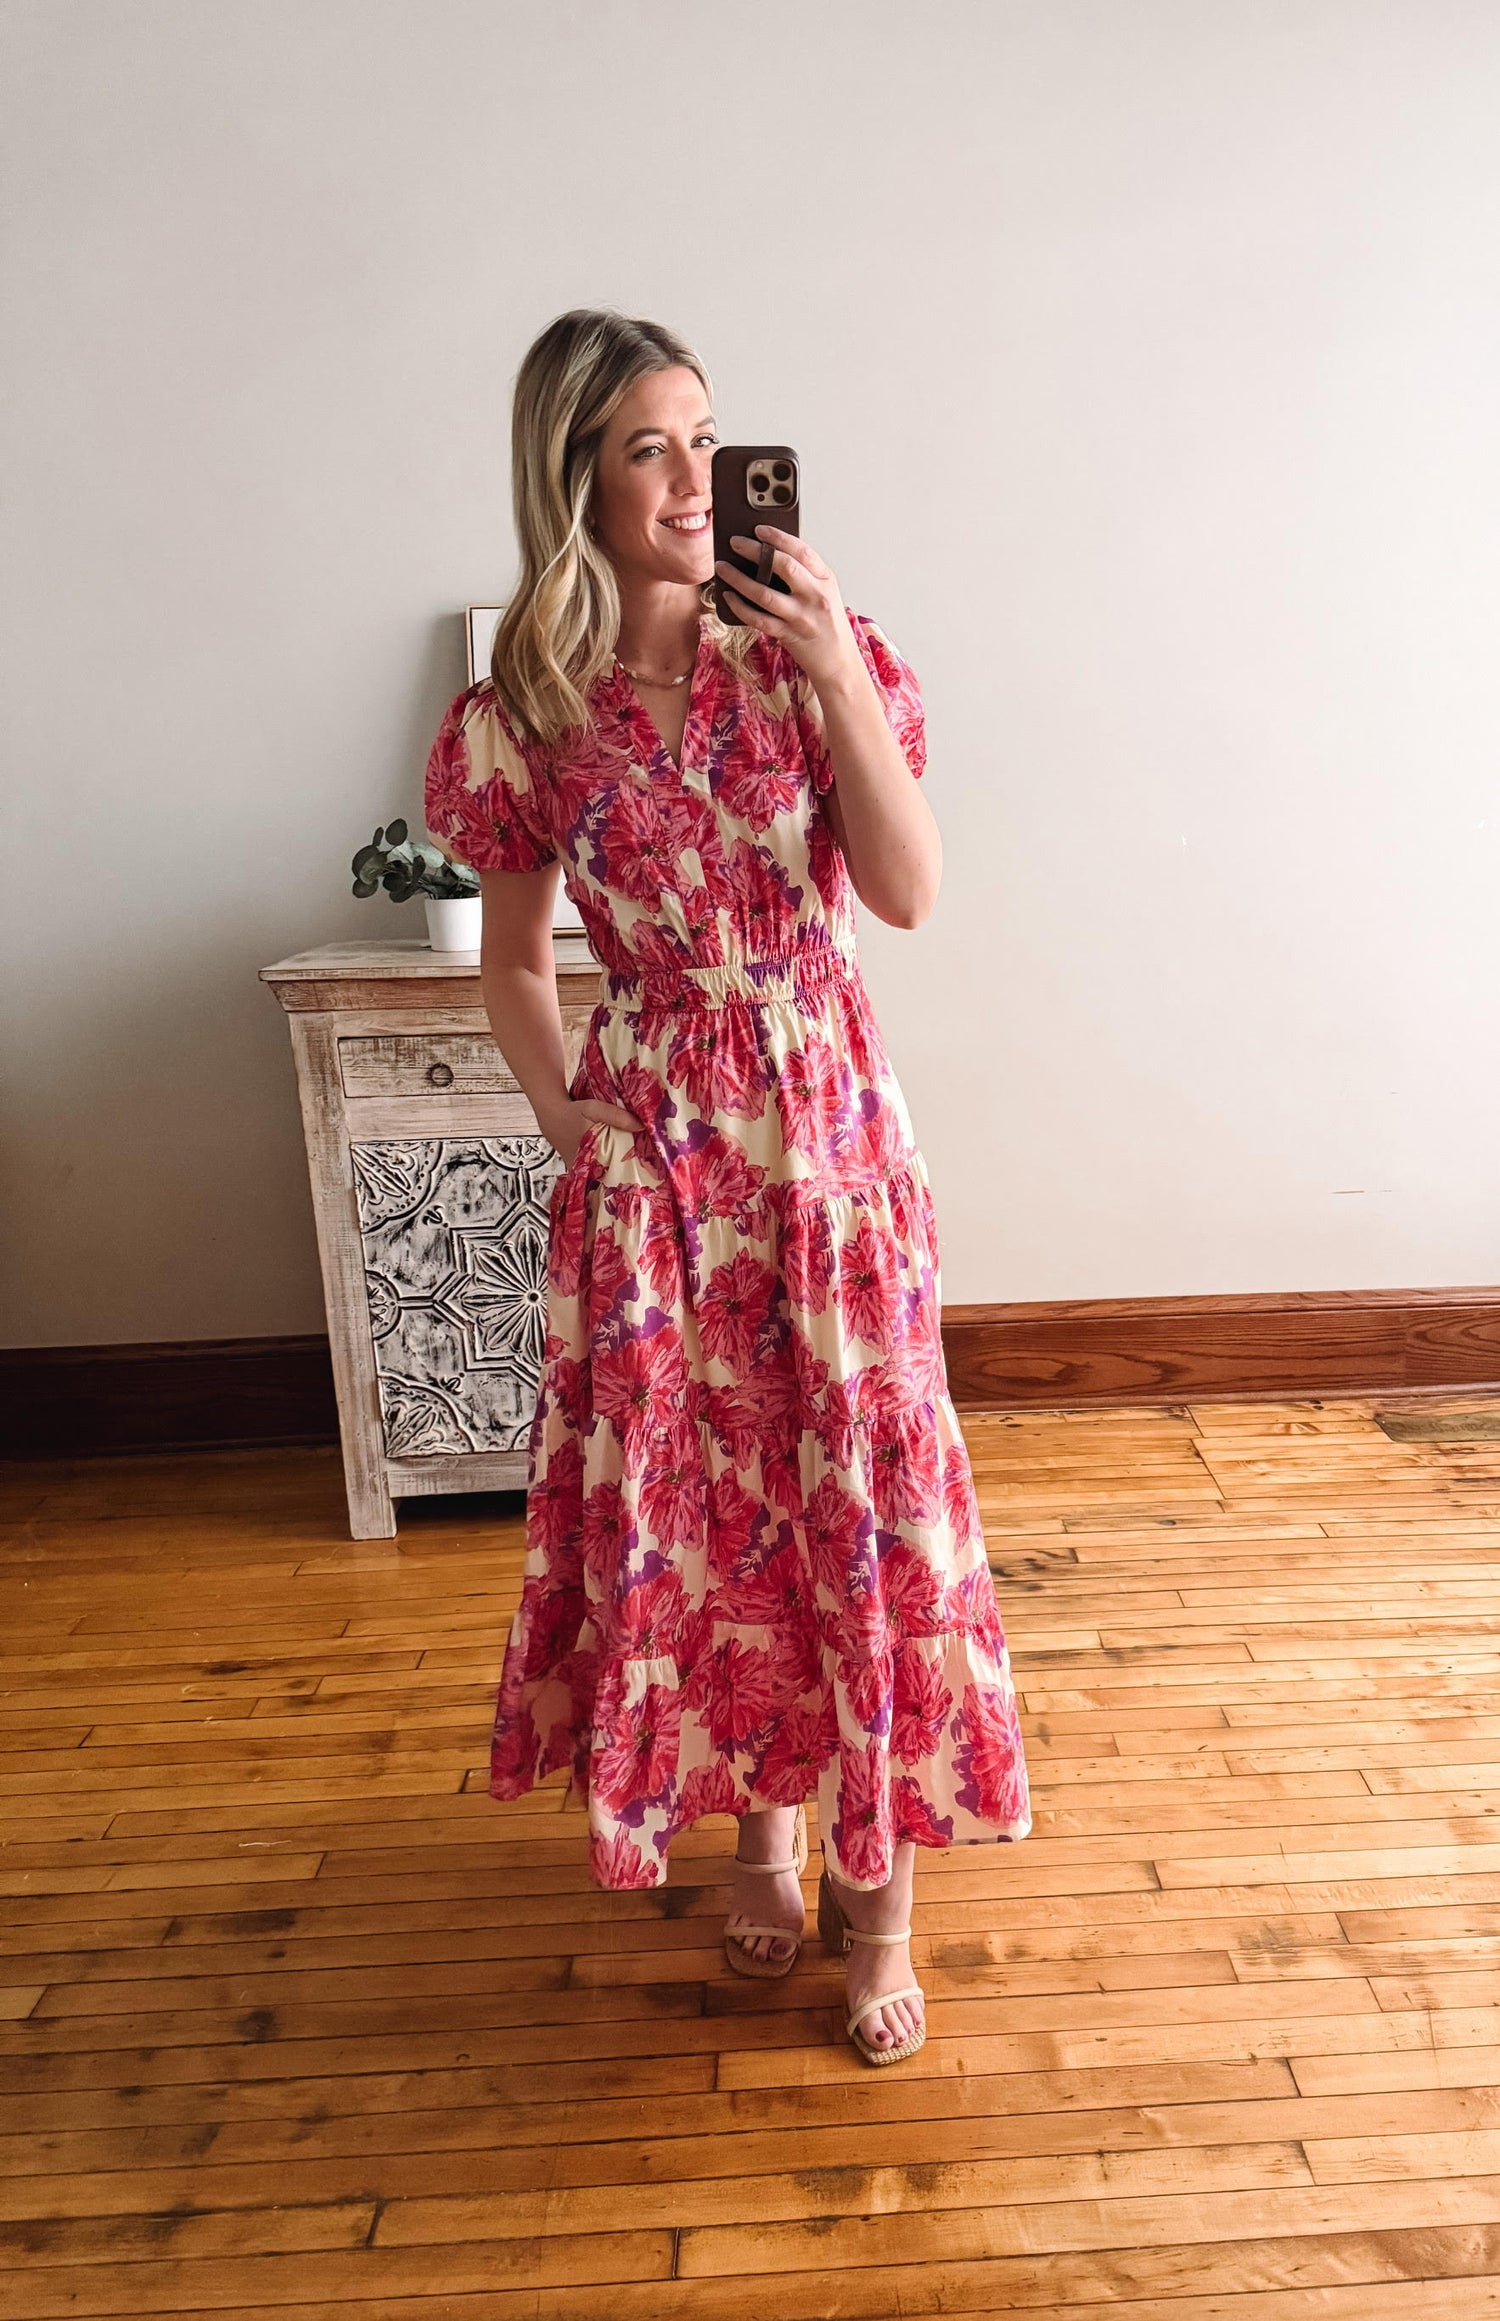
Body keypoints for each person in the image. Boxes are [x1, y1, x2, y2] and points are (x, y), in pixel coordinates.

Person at [424, 308, 1029, 2065]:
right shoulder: (527, 715)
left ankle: (881, 1893)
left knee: (862, 1495)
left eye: (706, 437)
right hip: (662, 1169)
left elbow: (907, 892)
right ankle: (765, 1834)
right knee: (713, 1507)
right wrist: (573, 1122)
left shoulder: (809, 655)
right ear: (574, 482)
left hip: (829, 1142)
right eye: (648, 447)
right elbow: (515, 962)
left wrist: (833, 668)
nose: (695, 478)